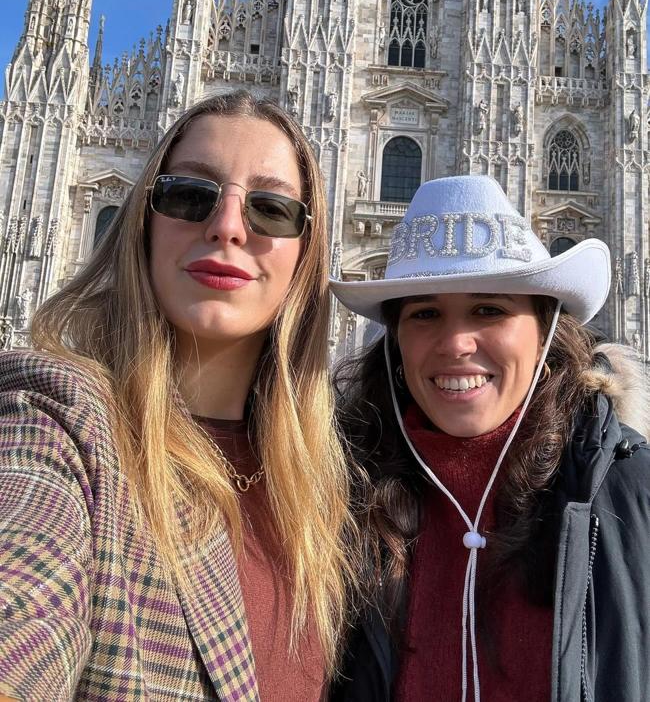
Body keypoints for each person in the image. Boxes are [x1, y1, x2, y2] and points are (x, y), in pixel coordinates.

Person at [0, 90, 357, 701]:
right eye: (189, 195)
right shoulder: (59, 420)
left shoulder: (333, 487)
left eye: (271, 210)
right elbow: (25, 589)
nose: (227, 227)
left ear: (309, 253)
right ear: (142, 221)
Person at [331, 175, 650, 702]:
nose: (456, 343)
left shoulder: (626, 488)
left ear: (547, 327)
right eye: (425, 313)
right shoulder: (344, 499)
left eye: (489, 309)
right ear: (395, 340)